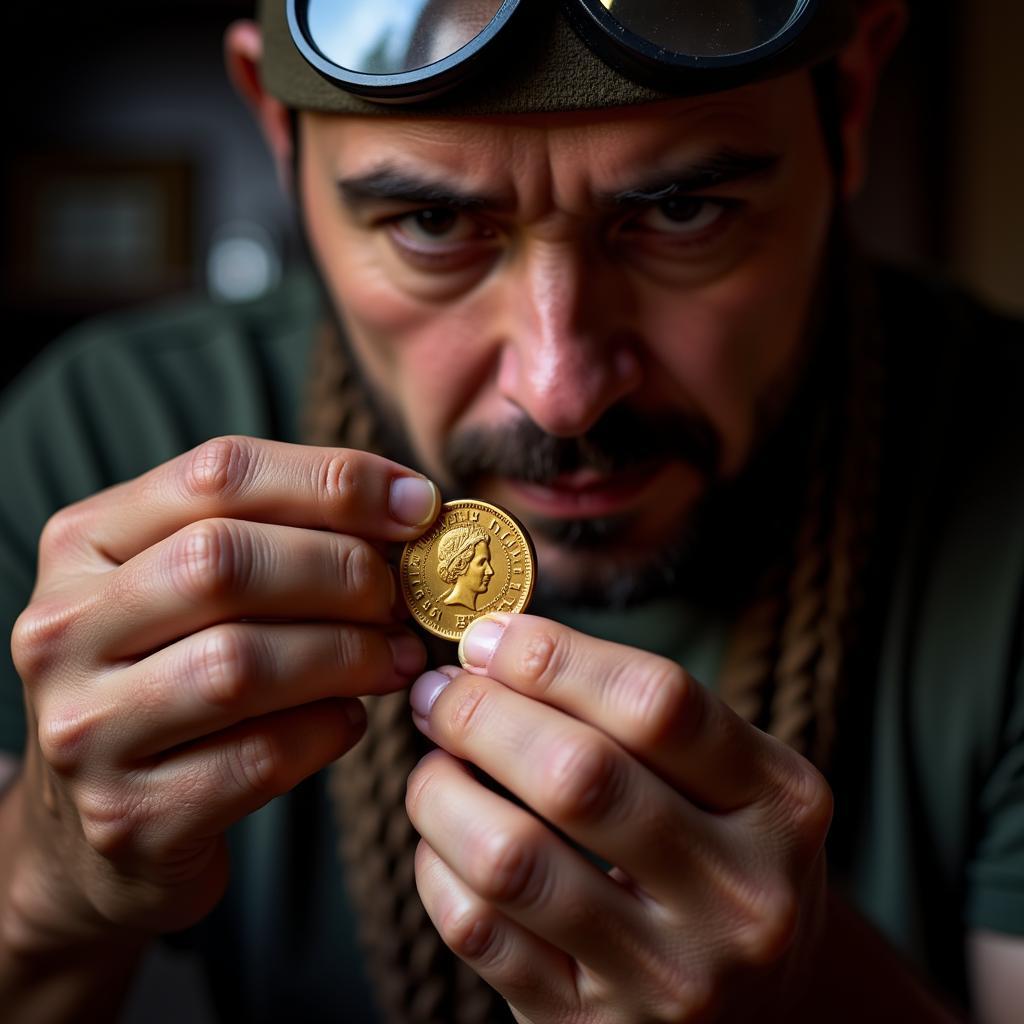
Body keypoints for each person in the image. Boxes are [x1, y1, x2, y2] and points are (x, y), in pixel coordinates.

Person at [0, 1, 1021, 1021]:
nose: (560, 388)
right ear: (277, 125)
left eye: (680, 213)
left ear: (847, 105)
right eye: (435, 225)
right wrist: (50, 881)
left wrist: (820, 1000)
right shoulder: (102, 443)